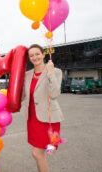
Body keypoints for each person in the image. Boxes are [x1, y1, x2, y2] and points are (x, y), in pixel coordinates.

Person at [20, 44, 64, 172]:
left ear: (43, 54)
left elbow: (55, 94)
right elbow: (22, 96)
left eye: (37, 54)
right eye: (31, 55)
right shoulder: (27, 75)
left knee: (37, 153)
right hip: (32, 118)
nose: (35, 57)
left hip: (48, 119)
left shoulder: (56, 71)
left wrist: (50, 73)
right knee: (39, 154)